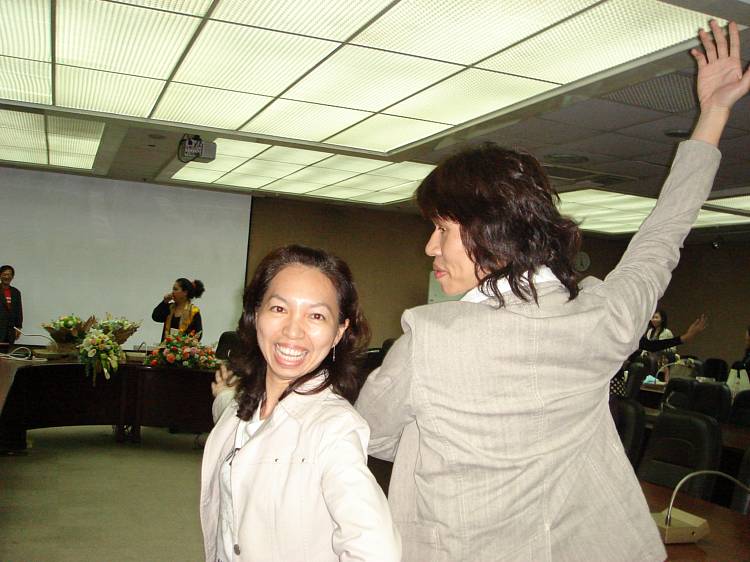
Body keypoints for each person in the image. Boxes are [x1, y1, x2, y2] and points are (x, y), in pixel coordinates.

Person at [356, 21, 749, 562]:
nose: (430, 247)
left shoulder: (430, 338)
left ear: (488, 232)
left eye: (442, 229)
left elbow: (373, 435)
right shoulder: (602, 318)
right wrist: (714, 115)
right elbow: (662, 239)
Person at [201, 245, 400, 562]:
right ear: (256, 314)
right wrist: (224, 394)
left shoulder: (333, 429)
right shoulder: (248, 403)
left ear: (339, 332)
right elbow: (239, 420)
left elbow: (376, 552)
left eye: (316, 315)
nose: (293, 330)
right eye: (279, 308)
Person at [638, 313, 707, 353]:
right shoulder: (650, 331)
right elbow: (650, 346)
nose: (653, 320)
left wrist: (686, 336)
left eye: (656, 317)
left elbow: (651, 346)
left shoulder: (666, 332)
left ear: (662, 320)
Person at [0, 265, 22, 345]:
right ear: (0, 275)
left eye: (9, 274)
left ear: (12, 277)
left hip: (10, 330)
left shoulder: (16, 292)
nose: (7, 277)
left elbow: (19, 311)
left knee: (7, 351)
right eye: (4, 274)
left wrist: (18, 327)